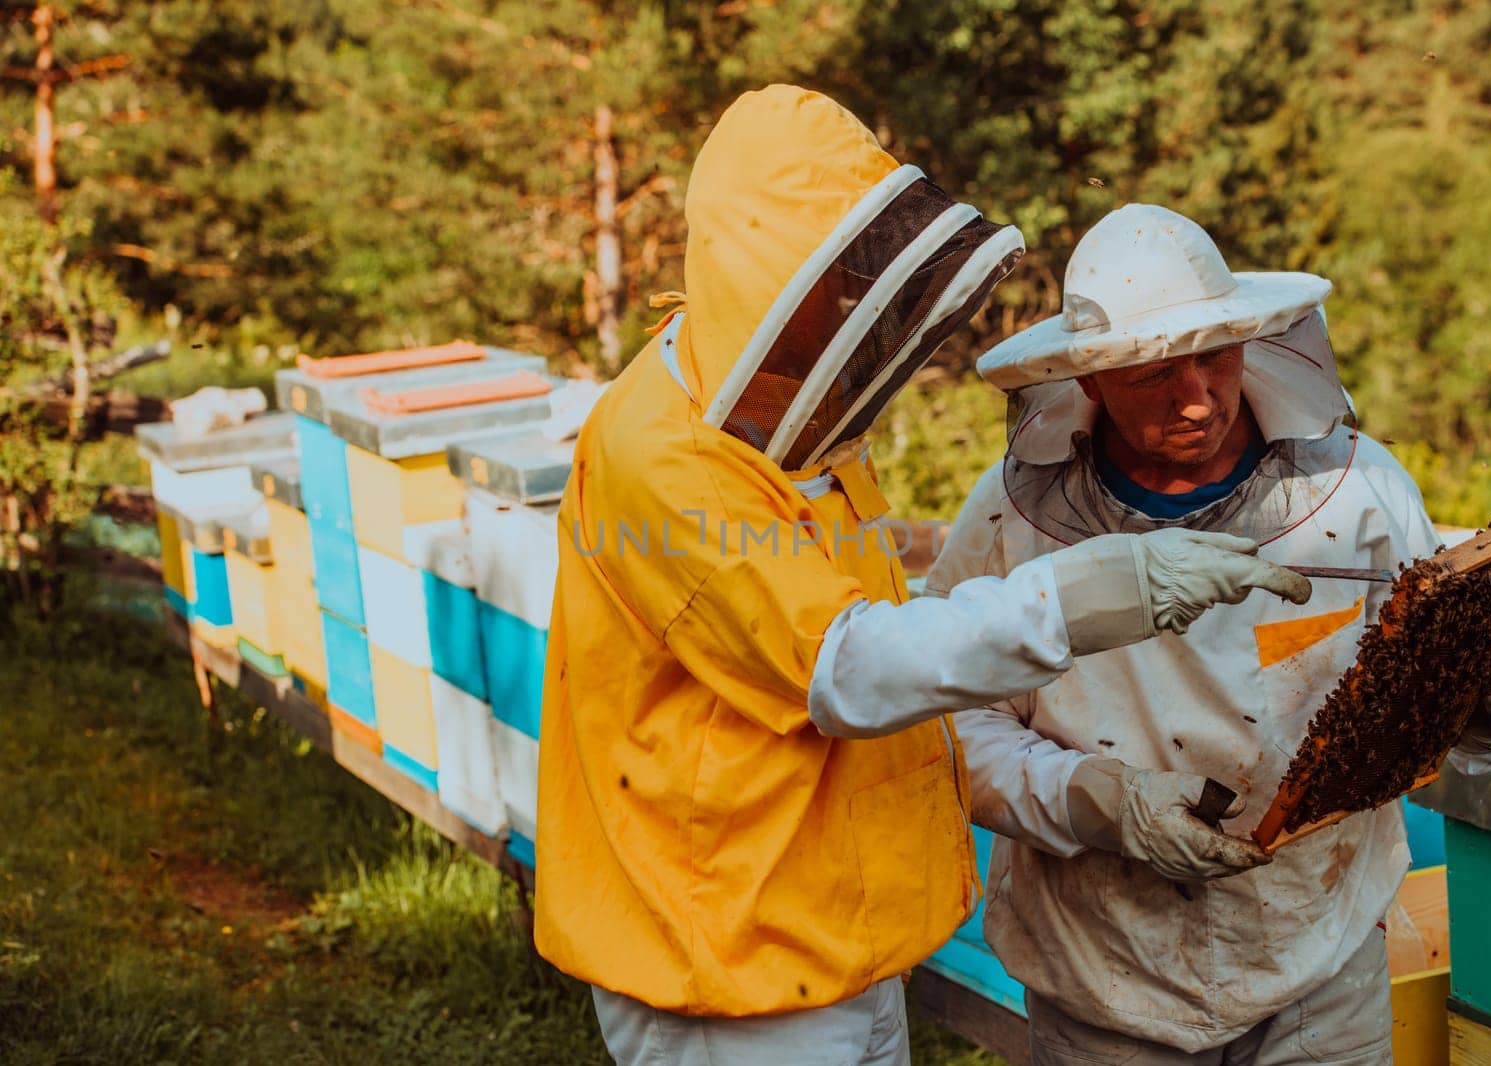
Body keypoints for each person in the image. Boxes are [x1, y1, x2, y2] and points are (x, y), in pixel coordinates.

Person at [534, 91, 1311, 1065]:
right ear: (764, 280)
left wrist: (959, 543)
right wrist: (1093, 589)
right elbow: (848, 662)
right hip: (725, 945)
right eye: (841, 288)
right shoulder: (666, 460)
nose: (862, 317)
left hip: (820, 914)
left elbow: (825, 566)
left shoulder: (781, 411)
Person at [926, 202, 1491, 1064]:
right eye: (1153, 374)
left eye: (1215, 356)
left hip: (1319, 964)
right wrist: (1098, 800)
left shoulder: (1359, 491)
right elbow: (948, 721)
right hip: (1104, 976)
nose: (1197, 400)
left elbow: (1421, 696)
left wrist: (1483, 705)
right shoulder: (1007, 516)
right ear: (1087, 380)